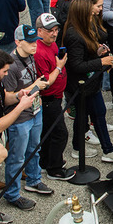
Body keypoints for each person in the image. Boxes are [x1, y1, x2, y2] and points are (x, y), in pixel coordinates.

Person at [1, 24, 56, 211]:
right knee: (16, 158)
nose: (35, 45)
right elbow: (7, 98)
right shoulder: (11, 65)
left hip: (35, 110)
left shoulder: (31, 55)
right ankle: (12, 194)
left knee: (34, 149)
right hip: (19, 118)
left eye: (36, 41)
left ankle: (33, 180)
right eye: (30, 41)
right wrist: (34, 86)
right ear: (17, 42)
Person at [63, 0, 113, 163]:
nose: (93, 15)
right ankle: (108, 151)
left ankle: (77, 147)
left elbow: (84, 55)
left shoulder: (81, 28)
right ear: (81, 14)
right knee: (98, 114)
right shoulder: (74, 34)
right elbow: (76, 65)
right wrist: (101, 61)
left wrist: (98, 51)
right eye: (89, 13)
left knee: (83, 116)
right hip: (83, 85)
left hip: (88, 84)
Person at [33, 13, 74, 179]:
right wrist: (59, 68)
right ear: (40, 31)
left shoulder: (51, 44)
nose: (54, 33)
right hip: (49, 99)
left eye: (56, 30)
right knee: (60, 133)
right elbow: (46, 82)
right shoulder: (39, 52)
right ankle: (54, 169)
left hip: (57, 97)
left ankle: (46, 162)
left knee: (48, 132)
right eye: (50, 30)